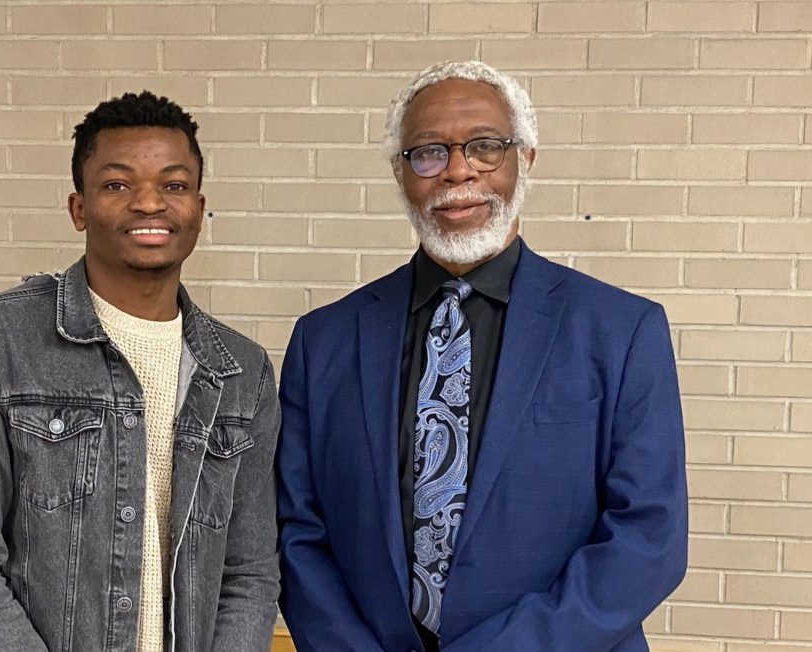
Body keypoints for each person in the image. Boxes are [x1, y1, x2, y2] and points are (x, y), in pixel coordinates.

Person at [276, 61, 687, 652]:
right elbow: (298, 531)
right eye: (428, 153)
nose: (457, 171)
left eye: (486, 147)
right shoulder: (325, 340)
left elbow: (649, 536)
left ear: (527, 158)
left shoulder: (622, 331)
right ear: (401, 173)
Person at [0, 91, 280, 652]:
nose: (149, 203)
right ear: (78, 207)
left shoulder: (241, 371)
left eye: (174, 185)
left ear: (199, 209)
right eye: (117, 184)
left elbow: (249, 572)